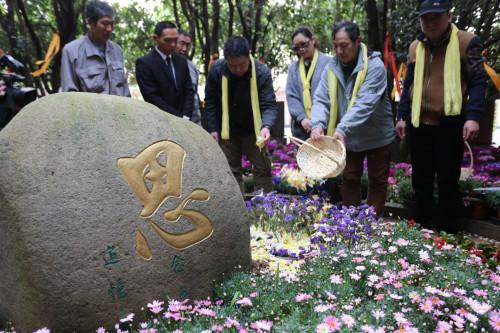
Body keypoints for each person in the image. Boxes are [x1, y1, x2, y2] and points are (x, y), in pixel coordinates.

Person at [395, 0, 487, 233]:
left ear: (449, 15)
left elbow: (478, 81)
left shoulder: (467, 42)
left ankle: (447, 234)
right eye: (426, 18)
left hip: (449, 122)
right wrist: (402, 116)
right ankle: (420, 233)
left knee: (448, 182)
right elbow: (409, 85)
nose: (430, 23)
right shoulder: (416, 46)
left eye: (436, 17)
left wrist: (473, 116)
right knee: (421, 182)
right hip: (419, 123)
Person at [310, 21, 395, 216]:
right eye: (335, 45)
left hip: (377, 136)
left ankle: (370, 225)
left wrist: (342, 129)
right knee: (349, 177)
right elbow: (321, 100)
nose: (339, 51)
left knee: (377, 180)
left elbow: (364, 104)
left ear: (357, 42)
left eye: (344, 45)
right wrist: (317, 124)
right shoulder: (331, 68)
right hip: (348, 138)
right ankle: (350, 224)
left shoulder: (375, 66)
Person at [204, 36, 278, 193]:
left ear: (248, 56)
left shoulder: (261, 72)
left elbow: (269, 104)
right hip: (227, 131)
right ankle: (237, 211)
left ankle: (265, 210)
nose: (237, 69)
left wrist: (266, 126)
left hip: (255, 130)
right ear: (226, 61)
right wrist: (212, 129)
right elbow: (210, 103)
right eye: (233, 66)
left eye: (242, 65)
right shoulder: (216, 70)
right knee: (229, 172)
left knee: (262, 169)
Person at [60, 0, 130, 96]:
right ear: (90, 23)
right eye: (105, 23)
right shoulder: (71, 51)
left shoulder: (117, 50)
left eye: (112, 24)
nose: (109, 29)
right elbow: (69, 94)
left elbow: (125, 90)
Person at [135, 21, 194, 119]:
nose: (172, 44)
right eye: (167, 40)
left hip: (185, 120)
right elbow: (152, 97)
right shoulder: (144, 63)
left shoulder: (181, 61)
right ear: (155, 38)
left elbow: (189, 91)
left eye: (175, 40)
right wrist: (178, 117)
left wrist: (186, 116)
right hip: (160, 119)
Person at [286, 27, 331, 140]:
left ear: (313, 40)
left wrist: (318, 121)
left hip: (325, 126)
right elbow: (291, 96)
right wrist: (302, 118)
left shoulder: (329, 63)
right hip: (301, 128)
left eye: (304, 44)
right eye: (297, 47)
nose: (301, 49)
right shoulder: (293, 69)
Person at [176, 30, 201, 124]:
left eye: (188, 45)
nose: (185, 49)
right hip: (176, 121)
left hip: (195, 121)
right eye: (182, 44)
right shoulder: (167, 66)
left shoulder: (192, 67)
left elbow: (194, 93)